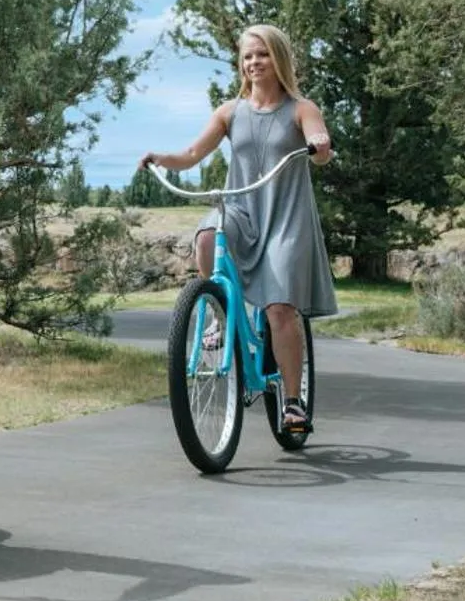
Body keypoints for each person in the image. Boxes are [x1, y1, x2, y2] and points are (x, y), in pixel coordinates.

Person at [140, 23, 336, 433]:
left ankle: (293, 403)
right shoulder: (230, 112)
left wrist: (319, 145)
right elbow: (192, 153)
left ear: (278, 58)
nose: (254, 62)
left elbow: (320, 145)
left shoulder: (301, 108)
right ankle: (218, 314)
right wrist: (161, 158)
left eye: (262, 54)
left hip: (286, 217)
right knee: (207, 236)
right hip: (241, 210)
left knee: (280, 308)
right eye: (247, 56)